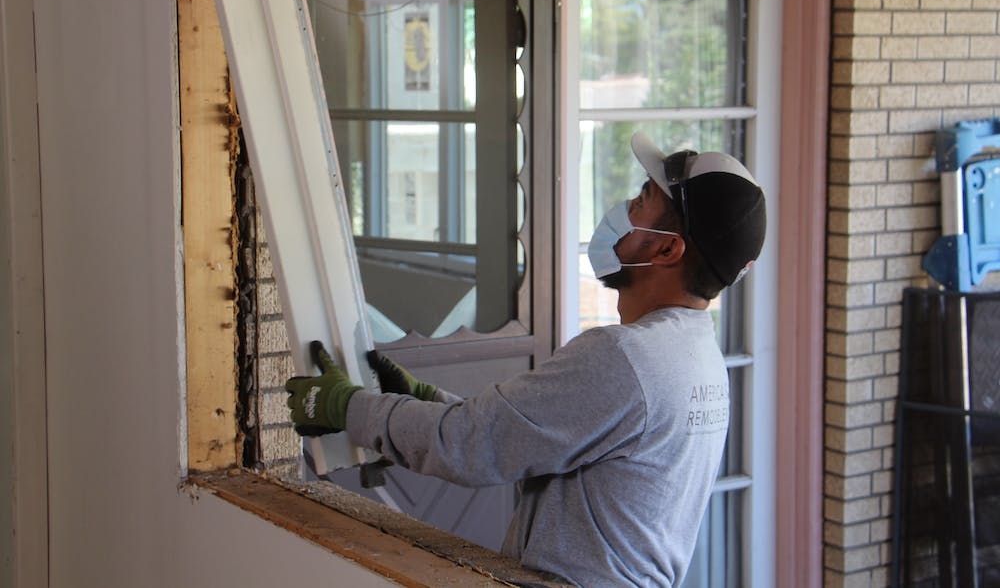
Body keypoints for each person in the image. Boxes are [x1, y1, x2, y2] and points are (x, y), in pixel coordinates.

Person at [285, 132, 767, 587]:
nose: (623, 209)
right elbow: (530, 440)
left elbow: (471, 447)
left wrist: (344, 408)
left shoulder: (627, 358)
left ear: (666, 248)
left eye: (641, 201)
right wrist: (428, 400)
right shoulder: (696, 358)